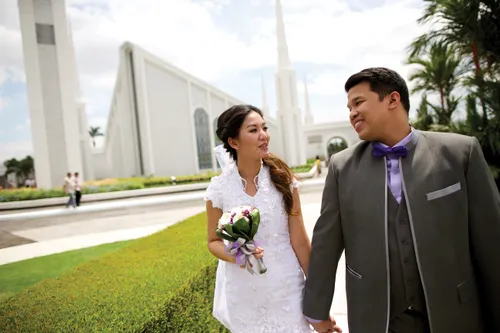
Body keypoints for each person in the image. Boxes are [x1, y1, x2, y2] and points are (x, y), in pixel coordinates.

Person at [303, 67, 500, 333]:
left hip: (455, 312)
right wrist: (317, 311)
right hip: (378, 318)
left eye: (359, 102)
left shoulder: (460, 153)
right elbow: (326, 243)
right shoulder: (342, 167)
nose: (352, 113)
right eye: (349, 107)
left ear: (393, 100)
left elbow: (490, 240)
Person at [204, 104, 316, 332]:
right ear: (234, 142)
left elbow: (300, 241)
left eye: (264, 127)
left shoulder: (284, 182)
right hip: (245, 294)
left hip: (287, 289)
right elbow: (213, 242)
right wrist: (238, 254)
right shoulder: (218, 190)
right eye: (253, 130)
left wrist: (318, 295)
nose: (264, 135)